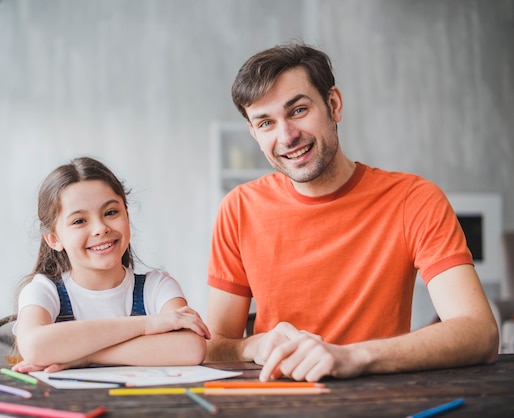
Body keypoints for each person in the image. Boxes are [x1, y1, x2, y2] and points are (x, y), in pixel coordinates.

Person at [205, 41, 499, 382]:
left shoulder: (414, 199)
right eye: (266, 123)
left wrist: (352, 356)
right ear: (254, 133)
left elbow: (480, 332)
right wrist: (251, 347)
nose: (287, 136)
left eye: (298, 110)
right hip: (278, 399)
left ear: (334, 104)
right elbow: (215, 346)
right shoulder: (238, 208)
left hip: (379, 399)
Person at [12, 156, 210, 373]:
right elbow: (35, 346)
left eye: (111, 213)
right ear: (53, 239)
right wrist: (148, 324)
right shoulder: (43, 290)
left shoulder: (157, 287)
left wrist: (85, 357)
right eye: (79, 221)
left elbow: (191, 348)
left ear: (127, 215)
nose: (100, 228)